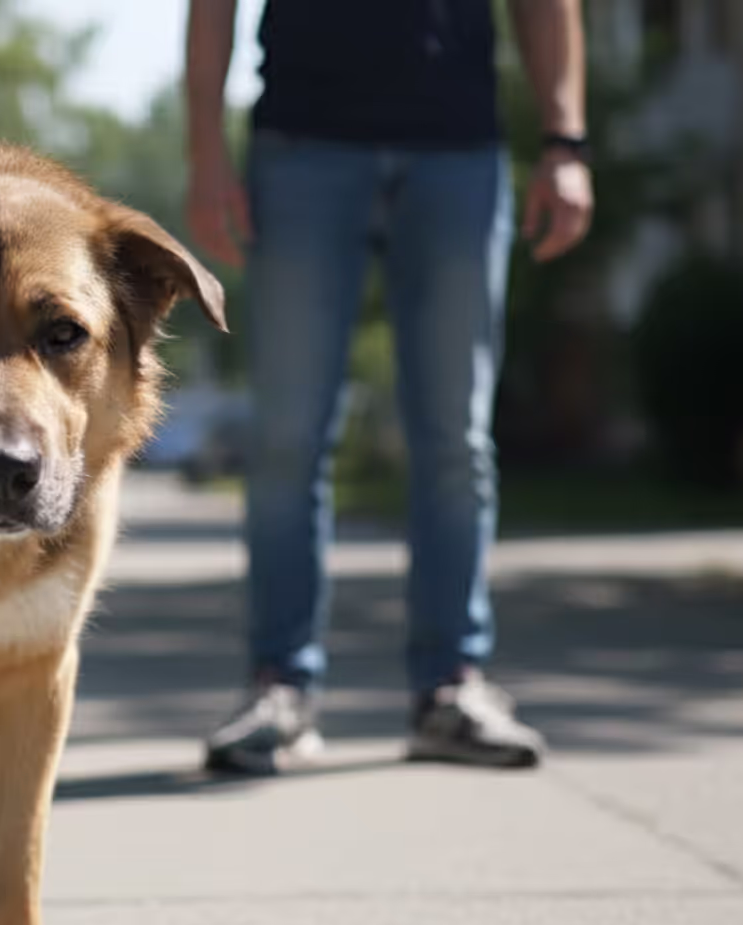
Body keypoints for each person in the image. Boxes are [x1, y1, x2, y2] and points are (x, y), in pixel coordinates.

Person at [184, 0, 594, 775]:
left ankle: (451, 687)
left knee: (456, 438)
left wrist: (565, 141)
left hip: (458, 148)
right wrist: (205, 151)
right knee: (286, 440)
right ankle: (280, 688)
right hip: (302, 140)